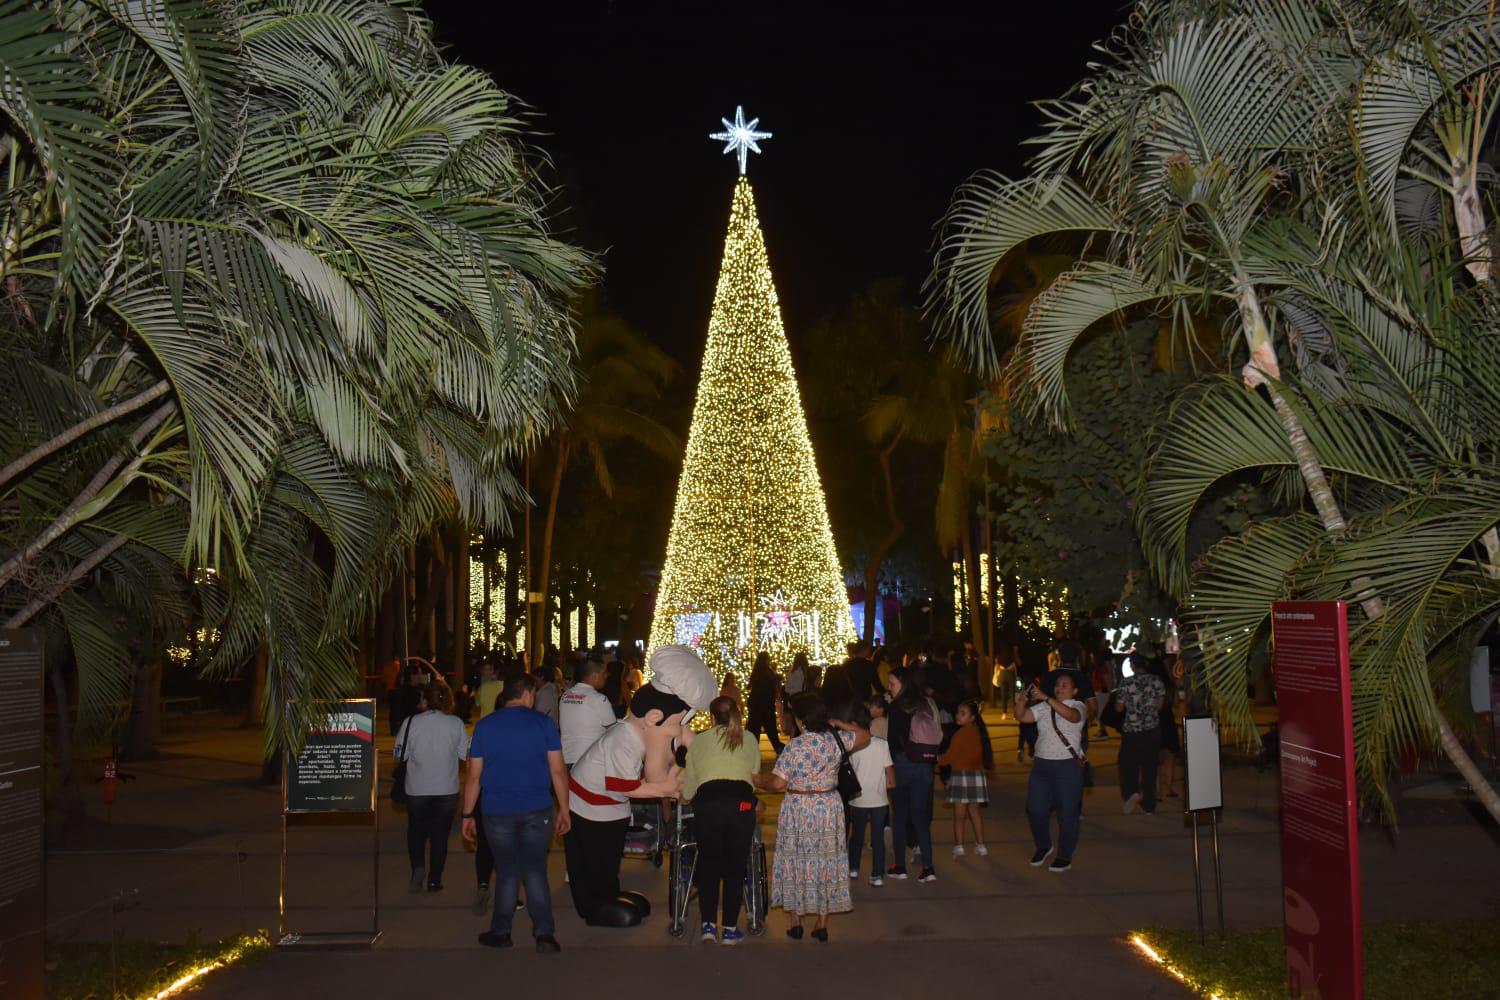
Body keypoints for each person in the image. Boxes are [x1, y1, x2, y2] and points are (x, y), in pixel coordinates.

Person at [565, 645, 716, 927]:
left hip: (609, 810)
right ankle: (594, 907)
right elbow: (628, 787)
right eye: (673, 729)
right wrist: (665, 790)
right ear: (653, 719)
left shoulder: (638, 735)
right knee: (596, 858)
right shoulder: (623, 741)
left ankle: (609, 895)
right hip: (591, 811)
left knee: (609, 857)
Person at [460, 671, 568, 953]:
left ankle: (501, 931)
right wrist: (564, 809)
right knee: (535, 872)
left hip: (497, 812)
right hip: (538, 809)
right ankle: (544, 935)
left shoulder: (485, 726)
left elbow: (473, 776)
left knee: (507, 872)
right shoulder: (544, 724)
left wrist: (467, 814)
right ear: (528, 694)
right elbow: (558, 771)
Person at [757, 693, 869, 942]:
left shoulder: (794, 747)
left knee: (796, 859)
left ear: (800, 720)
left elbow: (776, 783)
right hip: (828, 807)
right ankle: (821, 923)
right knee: (826, 860)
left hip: (799, 808)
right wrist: (839, 724)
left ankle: (795, 921)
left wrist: (757, 780)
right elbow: (865, 735)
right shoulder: (835, 741)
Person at [682, 695, 761, 945]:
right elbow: (754, 775)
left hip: (708, 803)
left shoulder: (700, 740)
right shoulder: (748, 738)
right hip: (740, 803)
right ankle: (729, 928)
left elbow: (691, 781)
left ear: (712, 717)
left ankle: (707, 926)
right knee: (736, 867)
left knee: (709, 864)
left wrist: (685, 797)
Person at [393, 682, 468, 892]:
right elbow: (465, 754)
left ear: (425, 700)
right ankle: (435, 878)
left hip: (417, 788)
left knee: (416, 831)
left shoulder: (411, 722)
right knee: (440, 835)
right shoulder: (455, 723)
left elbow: (399, 754)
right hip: (446, 789)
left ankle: (417, 867)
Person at [1015, 671, 1086, 872]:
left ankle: (1065, 854)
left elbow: (1072, 717)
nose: (1059, 687)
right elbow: (1022, 716)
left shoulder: (1077, 705)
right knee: (1035, 808)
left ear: (1074, 691)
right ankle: (1044, 845)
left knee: (1067, 813)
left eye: (1064, 685)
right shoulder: (1044, 707)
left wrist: (1047, 697)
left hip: (1067, 767)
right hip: (1042, 765)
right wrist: (1022, 700)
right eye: (1057, 685)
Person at [884, 667, 940, 883]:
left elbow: (891, 742)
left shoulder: (897, 707)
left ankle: (900, 865)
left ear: (903, 683)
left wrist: (889, 770)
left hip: (903, 765)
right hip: (925, 765)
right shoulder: (925, 703)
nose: (890, 688)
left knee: (900, 817)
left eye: (892, 684)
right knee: (920, 817)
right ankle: (928, 867)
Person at [1113, 652, 1168, 815]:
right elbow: (1160, 706)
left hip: (1132, 730)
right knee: (1150, 767)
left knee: (1128, 764)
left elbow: (1119, 708)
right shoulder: (1157, 681)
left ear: (1132, 665)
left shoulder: (1126, 683)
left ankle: (1132, 792)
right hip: (1152, 729)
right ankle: (1149, 805)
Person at [939, 699, 993, 858]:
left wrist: (936, 759)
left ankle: (959, 846)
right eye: (958, 712)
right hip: (976, 775)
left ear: (972, 717)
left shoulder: (960, 734)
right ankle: (981, 845)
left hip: (960, 775)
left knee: (959, 815)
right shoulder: (978, 732)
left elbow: (949, 757)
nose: (958, 716)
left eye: (963, 713)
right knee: (975, 813)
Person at [846, 708, 894, 887]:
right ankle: (877, 874)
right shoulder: (882, 744)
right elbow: (889, 771)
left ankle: (854, 867)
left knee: (857, 836)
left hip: (858, 799)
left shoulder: (853, 746)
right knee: (877, 839)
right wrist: (890, 784)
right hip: (879, 800)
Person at [560, 656, 615, 767]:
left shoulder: (565, 696)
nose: (606, 676)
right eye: (603, 673)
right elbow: (613, 731)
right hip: (589, 761)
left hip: (566, 758)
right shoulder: (599, 699)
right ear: (594, 676)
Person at [1151, 658, 1181, 800]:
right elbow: (1176, 703)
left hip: (1154, 720)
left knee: (1155, 757)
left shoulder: (1151, 683)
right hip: (1168, 720)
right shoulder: (1169, 684)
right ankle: (1168, 788)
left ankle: (1156, 791)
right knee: (1170, 754)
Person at [746, 652, 784, 753]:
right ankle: (777, 747)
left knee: (755, 729)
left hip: (757, 705)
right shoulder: (767, 672)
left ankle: (752, 750)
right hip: (765, 705)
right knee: (770, 728)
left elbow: (750, 686)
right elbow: (770, 687)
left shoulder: (758, 671)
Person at [533, 663, 562, 728]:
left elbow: (539, 714)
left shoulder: (546, 692)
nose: (534, 682)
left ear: (541, 677)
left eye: (535, 679)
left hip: (546, 729)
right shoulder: (548, 689)